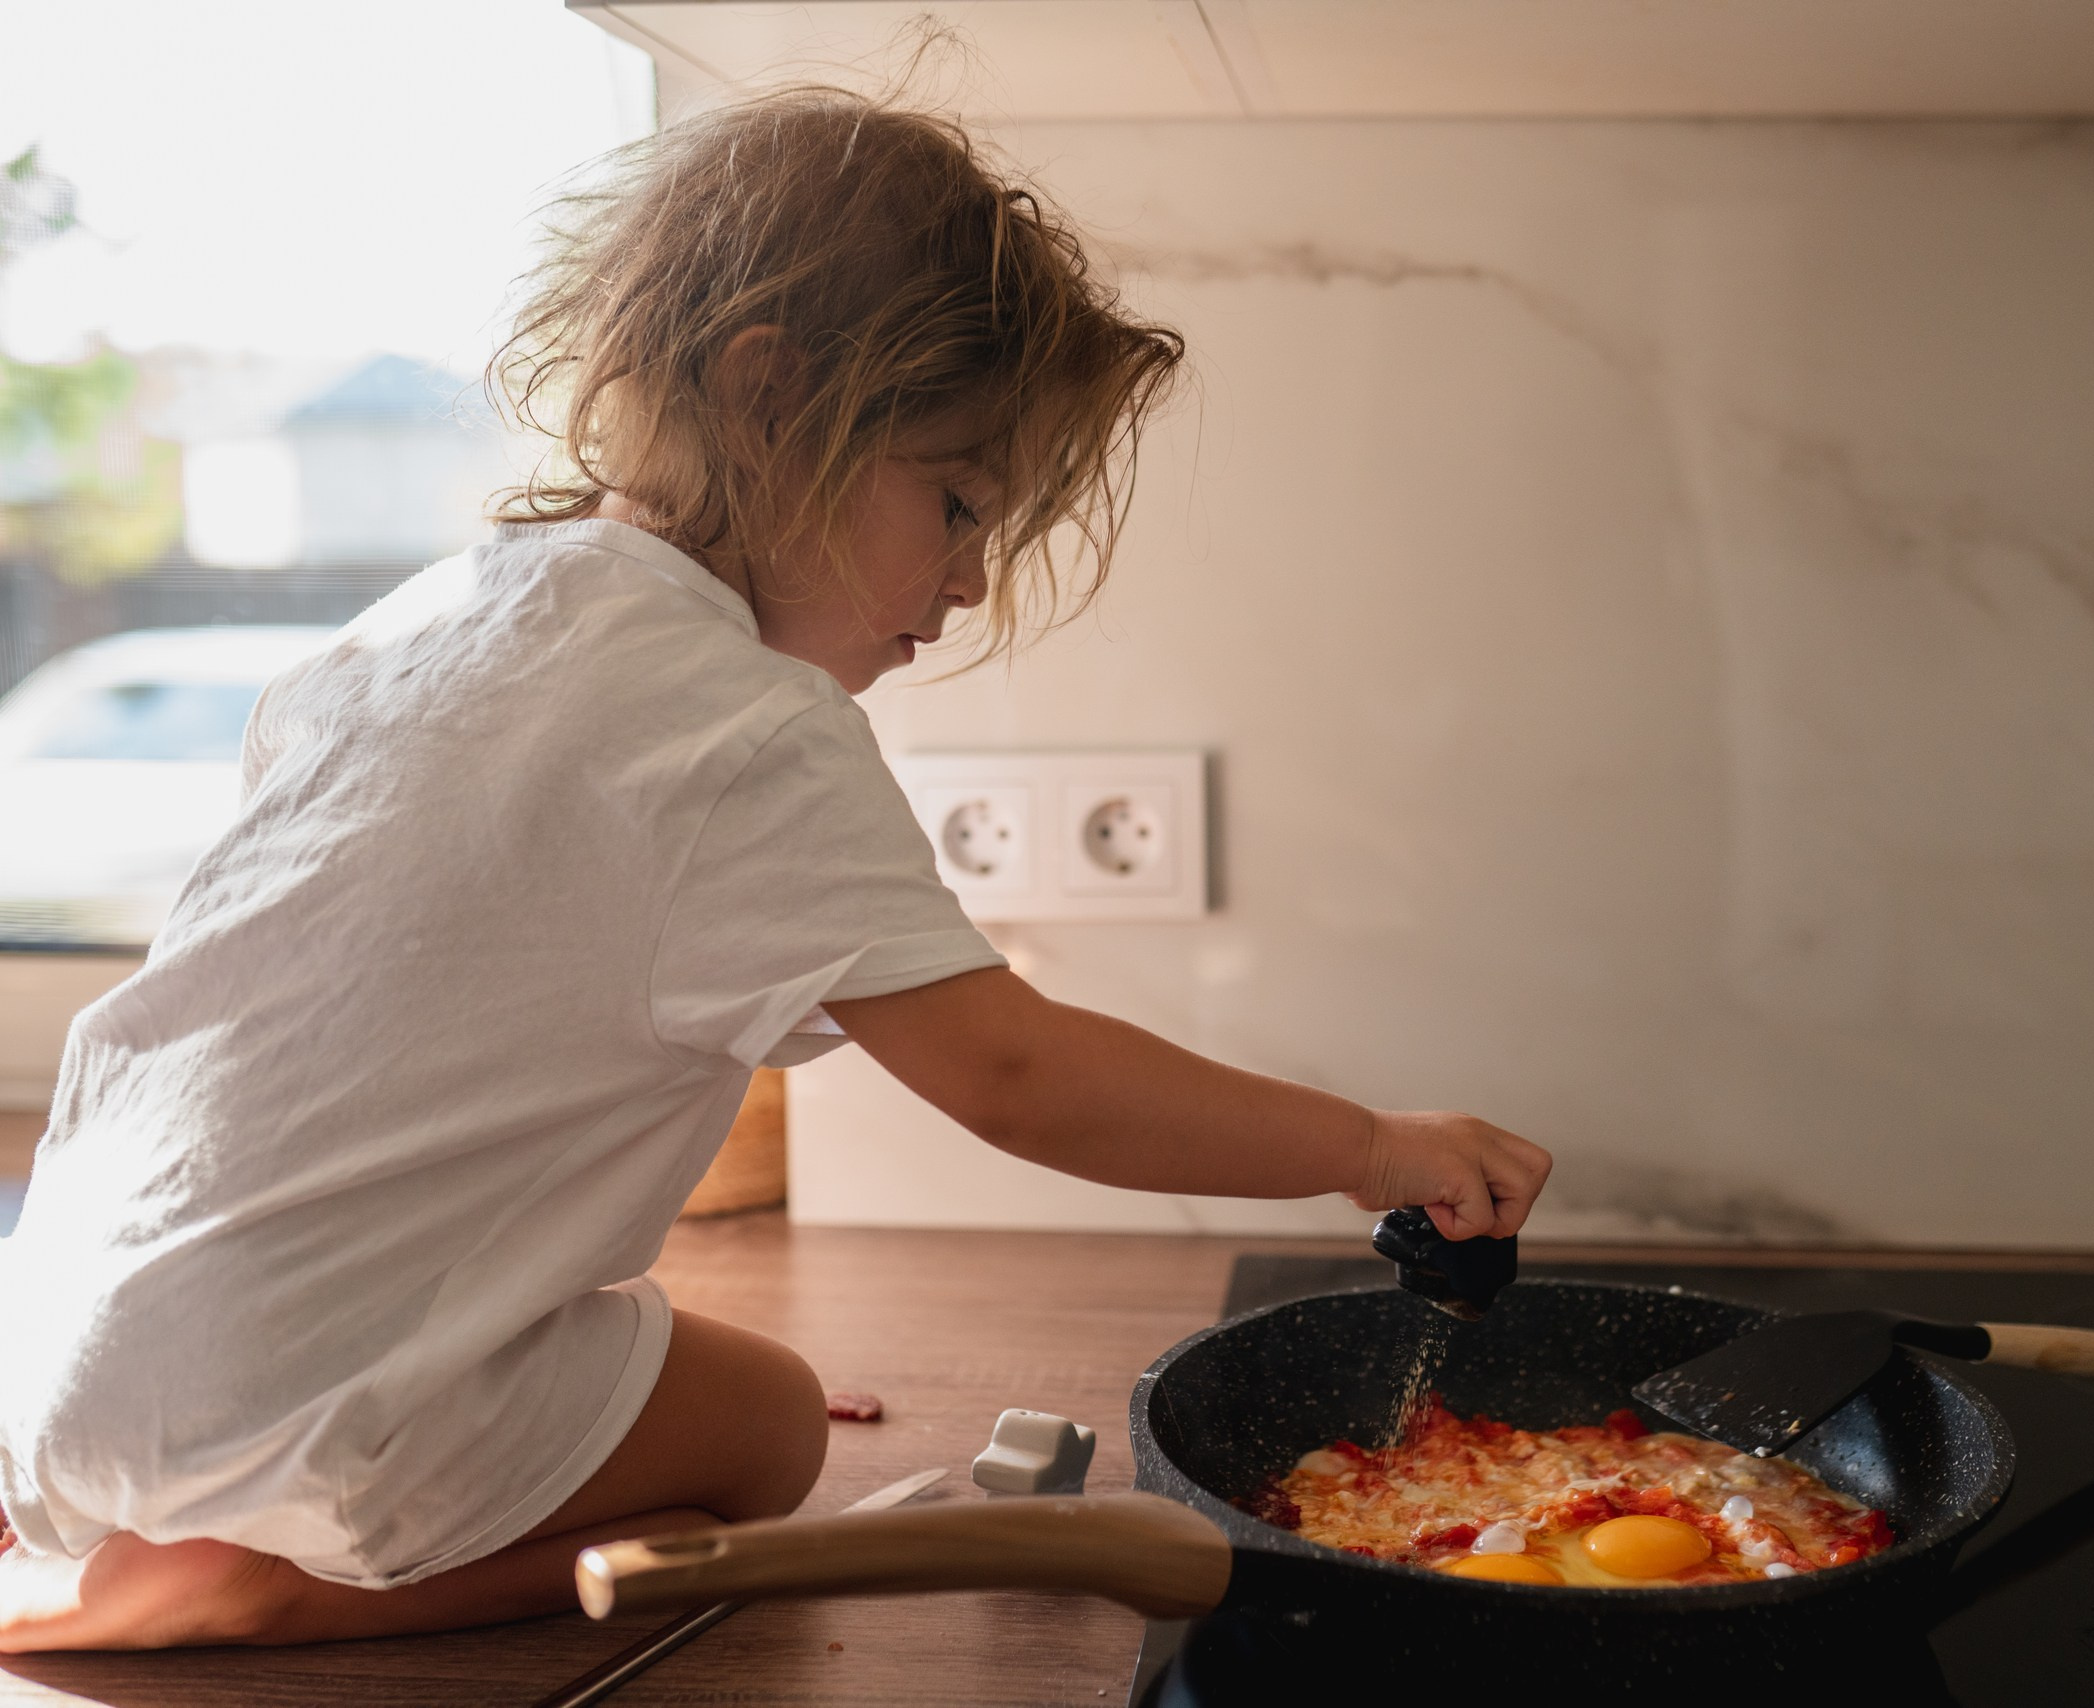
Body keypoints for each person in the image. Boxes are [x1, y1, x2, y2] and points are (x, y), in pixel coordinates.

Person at [0, 89, 1551, 1651]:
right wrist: (1367, 1145)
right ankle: (264, 1583)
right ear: (770, 399)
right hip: (303, 1406)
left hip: (64, 1352)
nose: (969, 582)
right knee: (770, 1432)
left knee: (638, 1375)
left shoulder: (419, 632)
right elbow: (1015, 1073)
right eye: (958, 502)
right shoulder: (740, 722)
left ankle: (185, 1519)